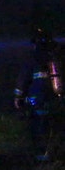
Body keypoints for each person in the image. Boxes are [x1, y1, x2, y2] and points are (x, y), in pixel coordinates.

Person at [14, 28, 63, 161]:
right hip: (53, 100)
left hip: (36, 100)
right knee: (52, 125)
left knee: (37, 126)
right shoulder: (55, 59)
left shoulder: (32, 59)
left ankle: (40, 156)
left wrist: (18, 97)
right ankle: (52, 153)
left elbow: (23, 79)